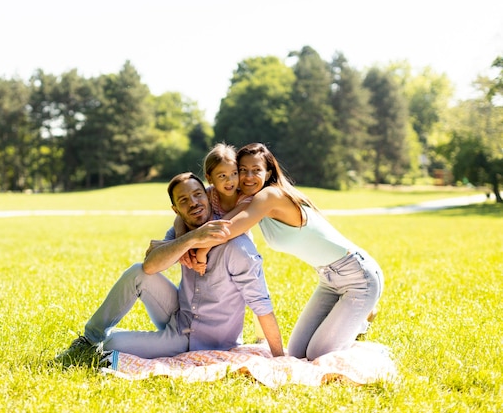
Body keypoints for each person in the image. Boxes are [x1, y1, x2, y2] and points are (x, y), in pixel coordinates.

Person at [54, 172, 284, 366]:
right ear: (176, 210)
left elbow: (262, 304)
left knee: (111, 345)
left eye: (197, 195)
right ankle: (89, 339)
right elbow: (150, 266)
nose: (193, 203)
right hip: (180, 315)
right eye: (184, 200)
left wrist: (280, 358)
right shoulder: (182, 232)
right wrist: (193, 238)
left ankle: (109, 341)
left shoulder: (237, 247)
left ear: (208, 196)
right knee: (138, 272)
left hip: (199, 340)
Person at [200, 143, 383, 361]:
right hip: (329, 280)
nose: (248, 177)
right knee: (297, 353)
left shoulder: (269, 196)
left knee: (318, 355)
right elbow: (226, 218)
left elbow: (227, 230)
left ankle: (361, 319)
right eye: (242, 170)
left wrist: (199, 250)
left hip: (359, 277)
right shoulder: (252, 200)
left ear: (267, 173)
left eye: (256, 170)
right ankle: (356, 316)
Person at [174, 142, 264, 342]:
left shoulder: (245, 199)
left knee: (253, 290)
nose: (230, 180)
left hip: (237, 245)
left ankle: (262, 336)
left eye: (233, 173)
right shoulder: (208, 193)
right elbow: (180, 216)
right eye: (222, 176)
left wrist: (199, 252)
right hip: (212, 244)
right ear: (209, 178)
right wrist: (182, 241)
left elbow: (225, 227)